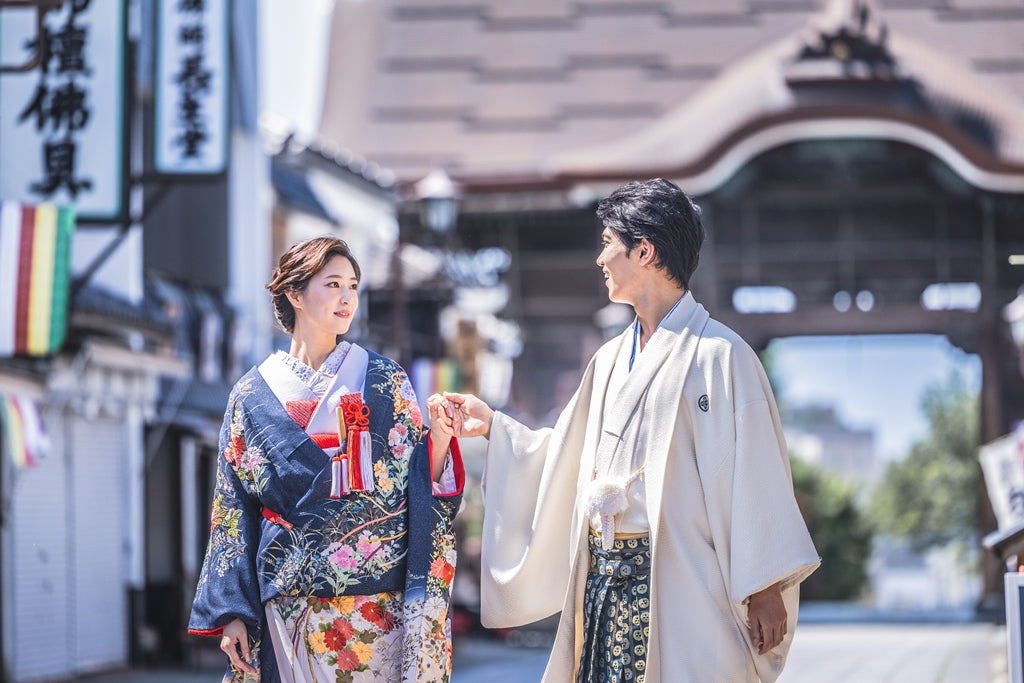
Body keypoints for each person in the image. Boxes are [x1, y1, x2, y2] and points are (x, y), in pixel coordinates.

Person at [438, 179, 819, 682]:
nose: (600, 259)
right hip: (605, 581)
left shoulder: (722, 356)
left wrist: (765, 586)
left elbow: (755, 473)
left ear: (644, 250)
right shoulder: (610, 359)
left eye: (607, 244)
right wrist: (496, 428)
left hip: (685, 577)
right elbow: (569, 454)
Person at [188, 237, 465, 683]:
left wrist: (439, 439)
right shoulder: (250, 395)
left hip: (378, 607)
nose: (346, 298)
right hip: (288, 601)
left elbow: (418, 483)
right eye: (332, 284)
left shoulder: (385, 380)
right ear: (294, 295)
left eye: (352, 286)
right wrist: (233, 612)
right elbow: (233, 510)